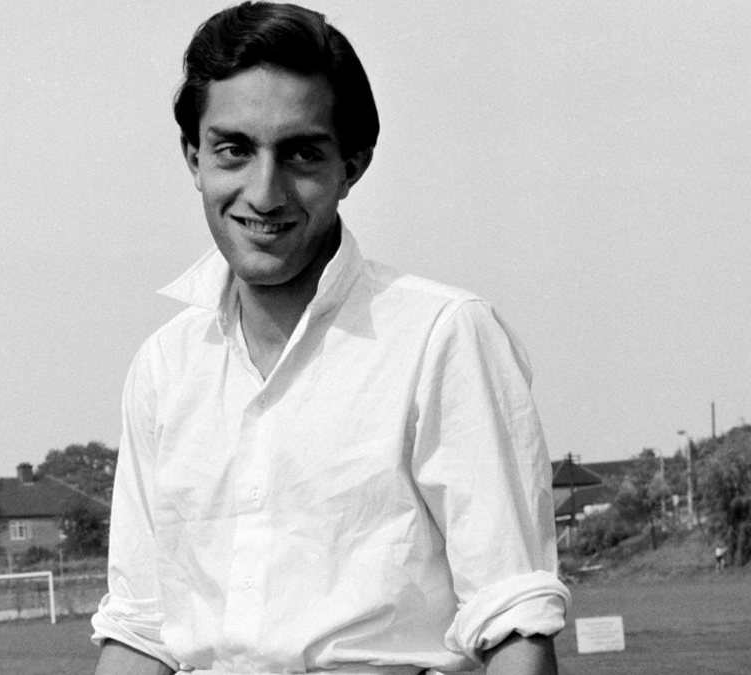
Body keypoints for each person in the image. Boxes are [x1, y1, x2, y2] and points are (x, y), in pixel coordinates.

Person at [92, 3, 569, 673]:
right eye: (234, 149)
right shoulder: (164, 366)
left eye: (301, 154)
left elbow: (514, 620)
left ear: (352, 164)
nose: (265, 193)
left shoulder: (442, 336)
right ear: (194, 158)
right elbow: (141, 630)